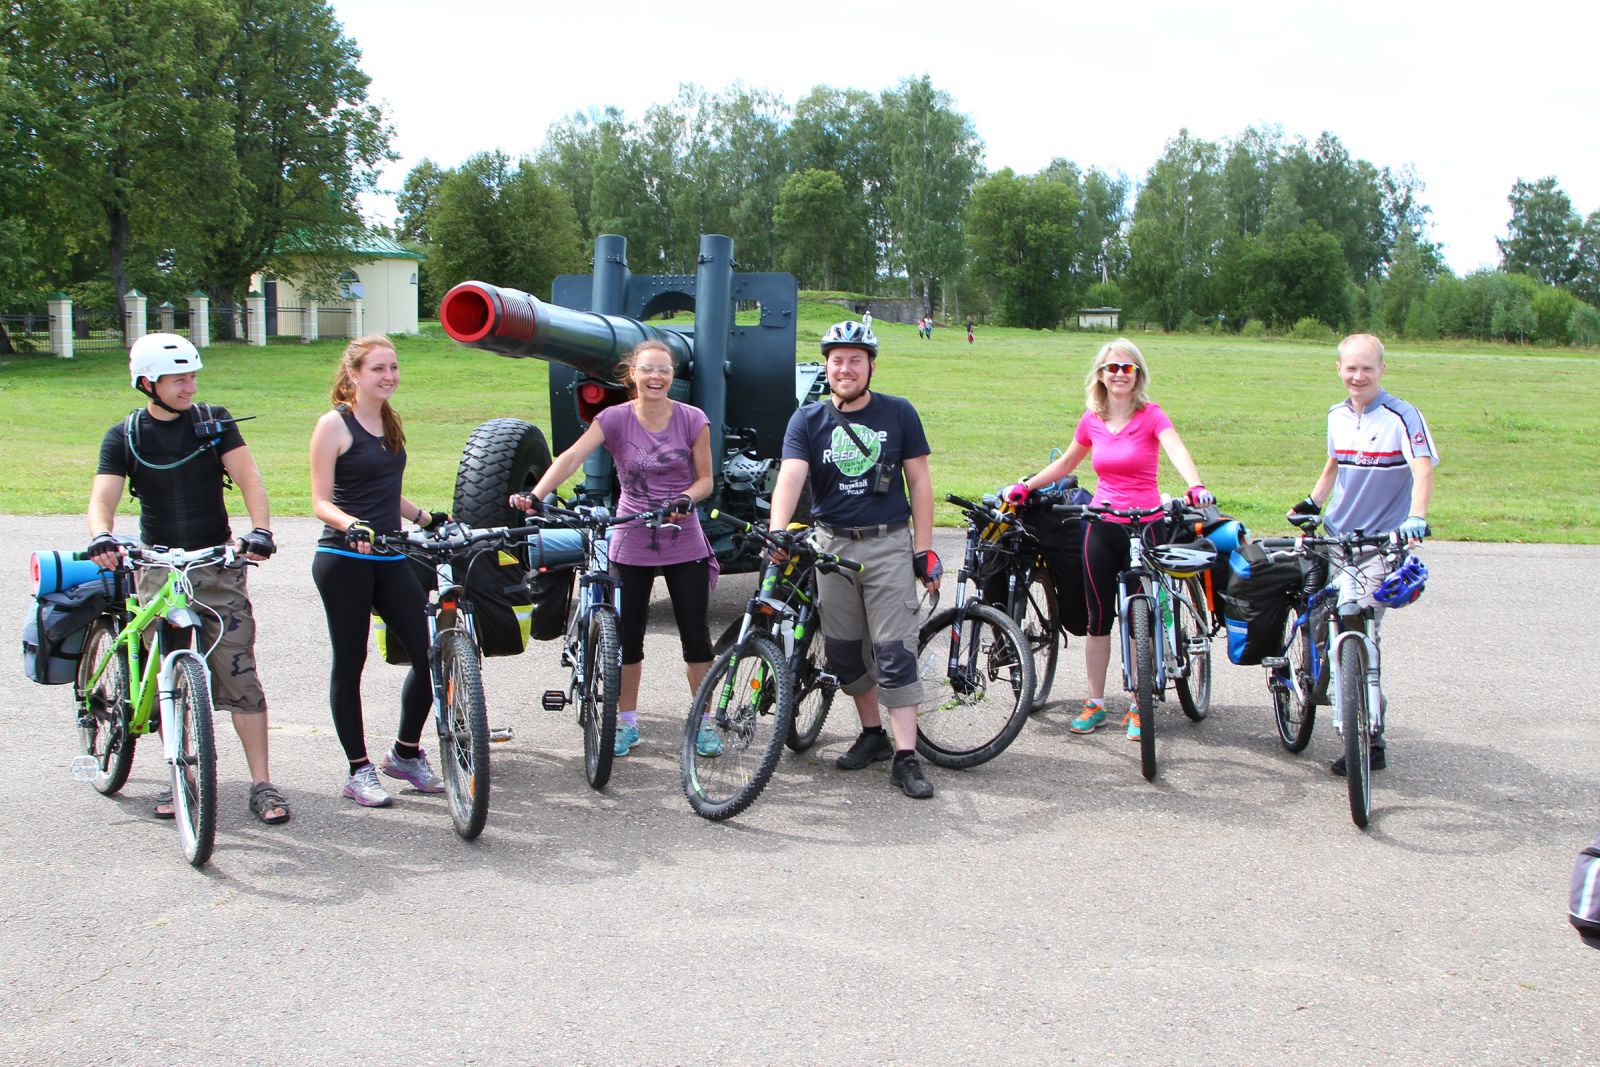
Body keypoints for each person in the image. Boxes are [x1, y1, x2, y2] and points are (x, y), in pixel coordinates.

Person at [86, 333, 288, 824]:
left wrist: (259, 530)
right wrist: (102, 536)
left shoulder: (214, 423)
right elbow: (103, 499)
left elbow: (250, 480)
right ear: (147, 383)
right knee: (166, 675)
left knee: (240, 672)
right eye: (179, 379)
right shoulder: (124, 435)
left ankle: (262, 784)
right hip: (157, 566)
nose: (189, 386)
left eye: (193, 376)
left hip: (214, 564)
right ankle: (182, 775)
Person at [1000, 338, 1213, 742]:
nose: (1119, 374)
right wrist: (1025, 485)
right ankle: (1095, 702)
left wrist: (1195, 485)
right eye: (1112, 368)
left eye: (1127, 368)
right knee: (1099, 620)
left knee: (1140, 619)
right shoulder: (1092, 418)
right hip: (1101, 524)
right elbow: (1066, 462)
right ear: (1100, 374)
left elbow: (1175, 448)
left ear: (1138, 375)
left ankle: (1139, 704)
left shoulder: (1151, 415)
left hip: (1145, 524)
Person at [512, 340, 716, 758]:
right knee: (628, 637)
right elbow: (570, 458)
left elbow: (705, 480)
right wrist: (536, 494)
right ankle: (625, 723)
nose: (656, 377)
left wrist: (686, 500)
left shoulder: (694, 419)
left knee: (696, 638)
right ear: (633, 376)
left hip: (684, 538)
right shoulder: (615, 418)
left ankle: (704, 722)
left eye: (663, 370)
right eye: (647, 370)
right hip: (631, 536)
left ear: (673, 376)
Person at [768, 320, 942, 799]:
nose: (845, 368)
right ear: (826, 366)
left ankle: (906, 756)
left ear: (871, 367)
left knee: (893, 651)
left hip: (886, 545)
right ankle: (873, 736)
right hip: (831, 547)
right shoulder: (808, 420)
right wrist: (777, 531)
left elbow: (920, 484)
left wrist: (923, 550)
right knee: (844, 652)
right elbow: (791, 477)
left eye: (855, 360)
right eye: (837, 360)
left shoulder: (899, 414)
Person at [1286, 332, 1436, 775]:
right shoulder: (1335, 415)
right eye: (1350, 368)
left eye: (1367, 368)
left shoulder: (1402, 416)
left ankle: (1369, 731)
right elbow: (1334, 464)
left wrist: (1417, 516)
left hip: (1380, 542)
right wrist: (1313, 502)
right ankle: (1331, 692)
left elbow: (1422, 468)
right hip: (1336, 535)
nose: (1358, 376)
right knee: (1320, 619)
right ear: (1338, 370)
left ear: (1382, 370)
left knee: (1358, 623)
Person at [309, 335, 448, 807]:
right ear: (353, 375)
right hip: (344, 558)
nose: (389, 376)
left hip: (390, 555)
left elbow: (387, 488)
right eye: (377, 369)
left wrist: (427, 519)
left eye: (393, 367)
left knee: (431, 656)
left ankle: (405, 754)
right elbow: (320, 501)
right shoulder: (334, 425)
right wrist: (352, 525)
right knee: (350, 664)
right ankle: (358, 770)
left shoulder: (388, 420)